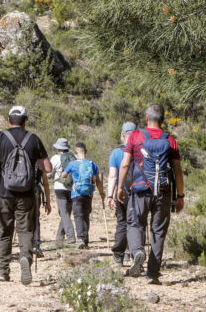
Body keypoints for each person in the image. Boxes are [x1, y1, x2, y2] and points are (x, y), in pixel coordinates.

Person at [117, 104, 185, 285]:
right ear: (163, 120)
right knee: (158, 231)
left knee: (135, 223)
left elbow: (124, 165)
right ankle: (153, 273)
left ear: (147, 118)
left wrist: (120, 187)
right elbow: (178, 170)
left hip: (140, 190)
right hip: (163, 192)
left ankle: (137, 251)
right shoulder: (170, 140)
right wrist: (180, 196)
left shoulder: (136, 137)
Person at [0, 105, 52, 285]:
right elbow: (48, 168)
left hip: (4, 192)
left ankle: (2, 270)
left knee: (5, 230)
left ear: (9, 120)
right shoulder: (33, 139)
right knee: (25, 230)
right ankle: (26, 259)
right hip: (27, 193)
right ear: (25, 121)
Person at [106, 122, 137, 266]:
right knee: (136, 224)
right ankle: (134, 254)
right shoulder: (141, 151)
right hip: (139, 193)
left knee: (122, 223)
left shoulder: (116, 152)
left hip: (121, 192)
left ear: (122, 136)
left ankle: (119, 255)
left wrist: (110, 195)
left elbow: (113, 176)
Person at [64, 142, 100, 248]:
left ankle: (80, 239)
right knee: (86, 216)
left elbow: (64, 174)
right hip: (88, 193)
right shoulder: (92, 163)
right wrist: (102, 193)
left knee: (78, 216)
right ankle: (86, 240)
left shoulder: (73, 164)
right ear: (86, 152)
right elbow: (98, 180)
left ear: (76, 153)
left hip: (76, 193)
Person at [50, 137, 76, 243]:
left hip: (59, 188)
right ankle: (59, 237)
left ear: (58, 148)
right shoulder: (73, 157)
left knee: (64, 213)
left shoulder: (55, 158)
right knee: (66, 213)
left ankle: (71, 236)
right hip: (71, 188)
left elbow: (49, 174)